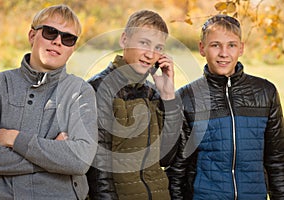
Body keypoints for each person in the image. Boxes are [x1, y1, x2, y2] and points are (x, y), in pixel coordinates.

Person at [0, 4, 98, 200]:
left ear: (73, 48)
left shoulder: (80, 92)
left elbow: (80, 160)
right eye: (50, 32)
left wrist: (15, 139)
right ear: (32, 36)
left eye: (68, 38)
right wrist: (53, 158)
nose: (58, 42)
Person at [166, 14, 284, 200]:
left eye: (231, 45)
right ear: (202, 48)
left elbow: (276, 160)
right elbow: (177, 169)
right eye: (215, 45)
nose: (223, 53)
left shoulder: (265, 92)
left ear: (241, 48)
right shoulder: (187, 97)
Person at [86, 10, 181, 200]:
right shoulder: (98, 89)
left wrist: (169, 97)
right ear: (124, 40)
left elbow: (167, 157)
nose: (150, 54)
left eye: (158, 47)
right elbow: (98, 169)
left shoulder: (154, 92)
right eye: (144, 43)